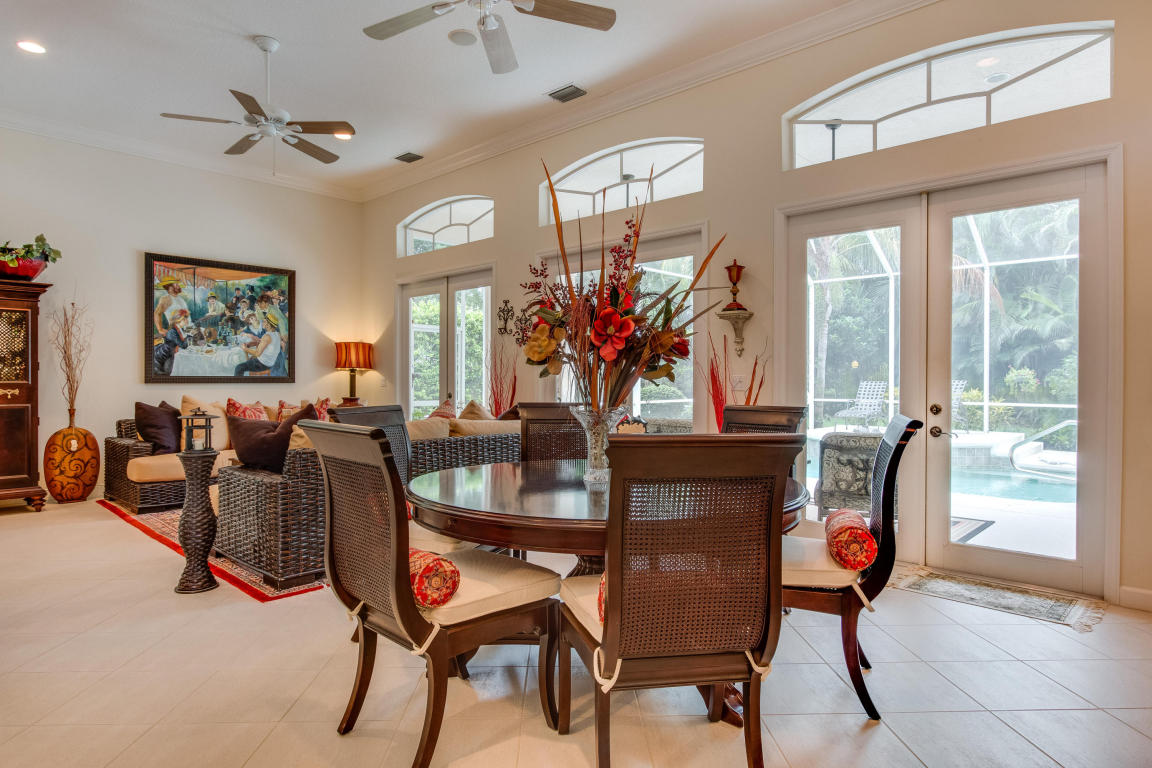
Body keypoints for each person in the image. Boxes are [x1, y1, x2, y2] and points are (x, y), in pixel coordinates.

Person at [153, 309, 191, 375]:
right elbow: (183, 345)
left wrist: (188, 336)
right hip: (163, 356)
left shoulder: (179, 329)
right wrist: (189, 336)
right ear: (178, 320)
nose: (187, 321)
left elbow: (182, 342)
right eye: (184, 319)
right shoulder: (173, 331)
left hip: (171, 353)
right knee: (170, 371)